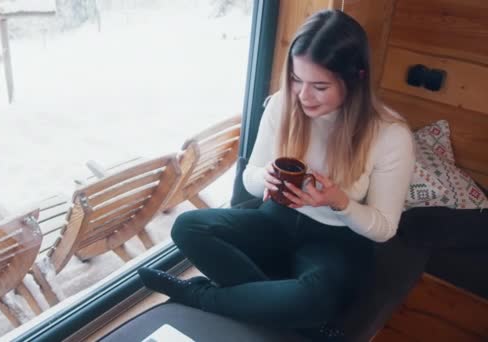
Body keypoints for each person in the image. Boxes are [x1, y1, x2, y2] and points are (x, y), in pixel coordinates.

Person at [138, 9, 415, 338]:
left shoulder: (389, 134)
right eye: (296, 79)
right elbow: (250, 178)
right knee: (187, 227)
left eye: (320, 86)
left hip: (334, 239)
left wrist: (341, 202)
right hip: (276, 219)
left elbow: (384, 228)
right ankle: (288, 314)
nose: (303, 96)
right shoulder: (282, 104)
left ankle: (198, 296)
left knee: (312, 295)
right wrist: (264, 178)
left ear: (356, 77)